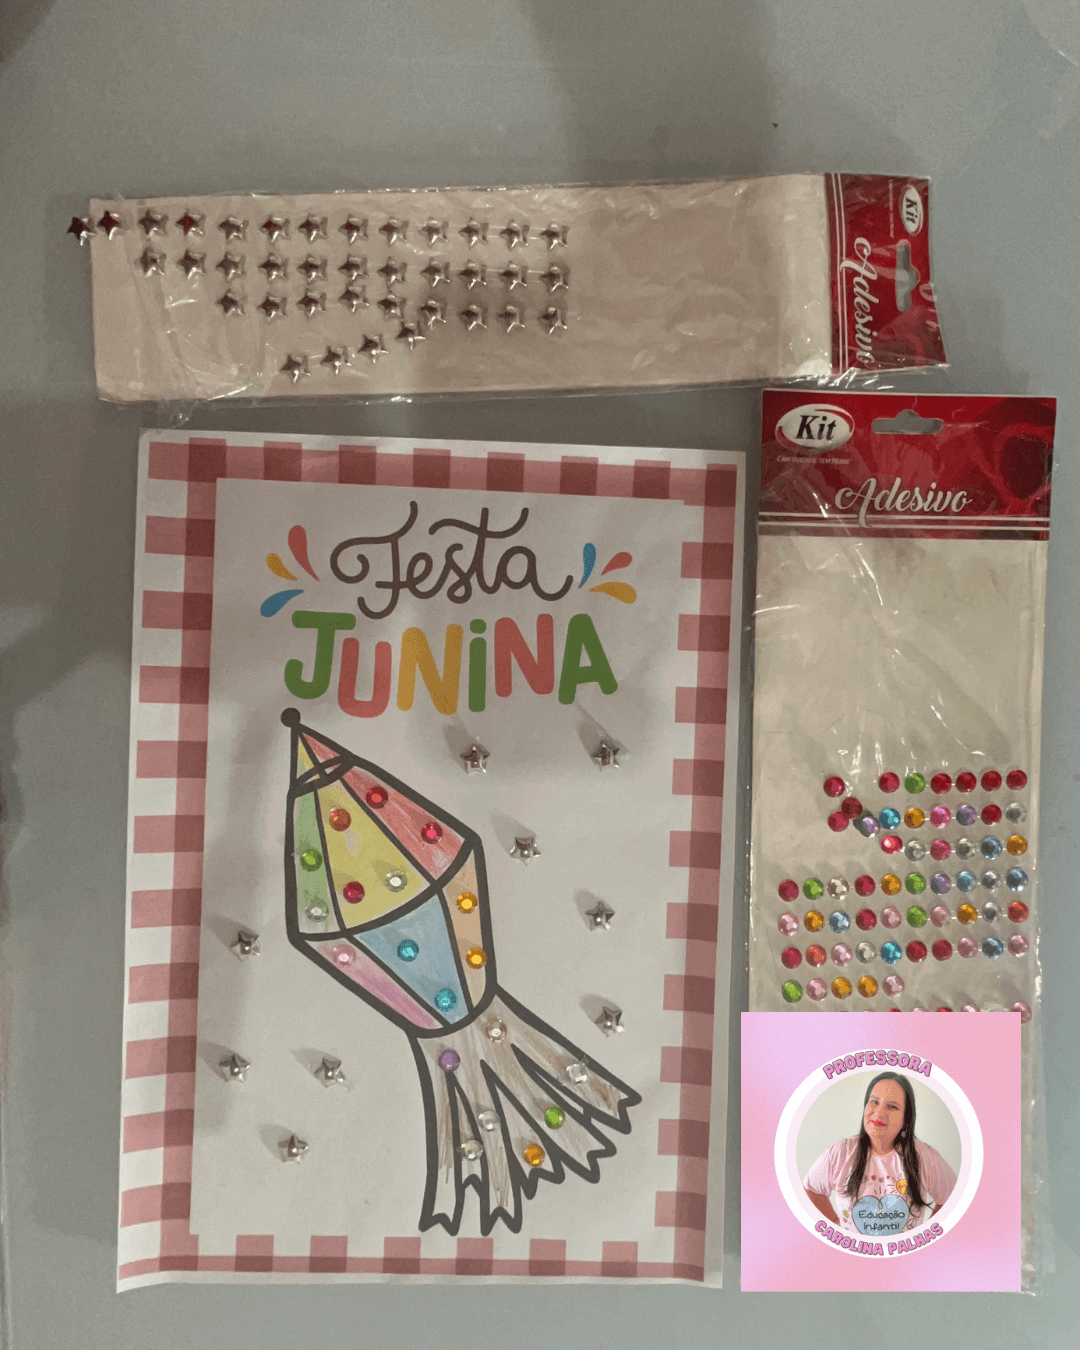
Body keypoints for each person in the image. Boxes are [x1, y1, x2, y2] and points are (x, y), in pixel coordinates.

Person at [803, 1072, 957, 1238]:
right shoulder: (841, 1153)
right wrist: (833, 1221)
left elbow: (955, 1198)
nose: (879, 1112)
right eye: (874, 1102)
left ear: (906, 1119)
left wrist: (925, 1236)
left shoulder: (923, 1157)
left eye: (892, 1106)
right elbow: (811, 1189)